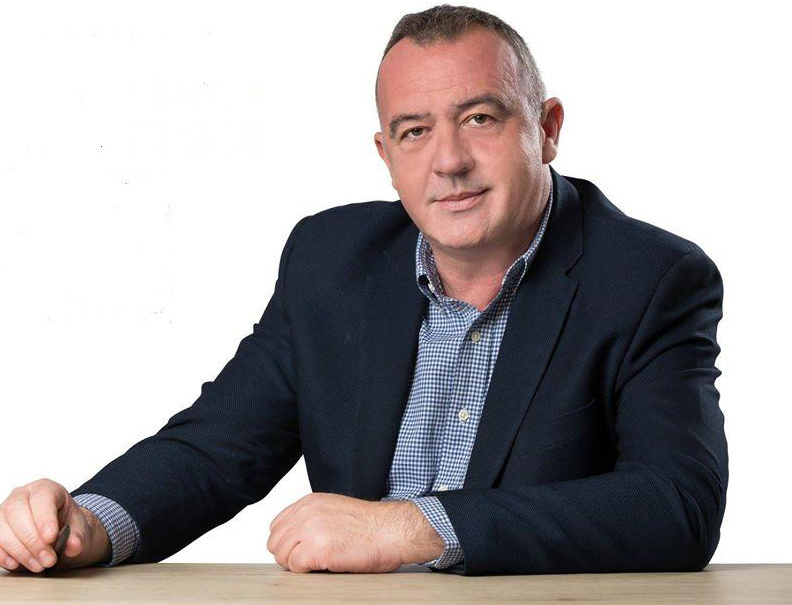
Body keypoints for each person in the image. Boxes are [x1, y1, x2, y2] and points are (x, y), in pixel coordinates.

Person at [0, 4, 727, 576]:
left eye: (479, 118)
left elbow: (677, 504)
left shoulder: (650, 278)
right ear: (386, 153)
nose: (448, 160)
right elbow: (217, 448)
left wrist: (412, 527)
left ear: (547, 127)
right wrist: (88, 524)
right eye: (414, 131)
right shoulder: (332, 260)